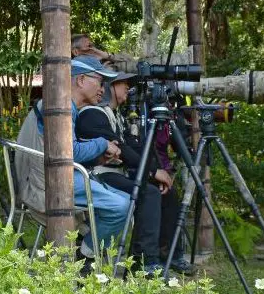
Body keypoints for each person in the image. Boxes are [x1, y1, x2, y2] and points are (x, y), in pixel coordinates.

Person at [15, 55, 130, 267]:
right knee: (120, 206)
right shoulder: (61, 107)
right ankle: (86, 257)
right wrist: (103, 144)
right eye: (100, 81)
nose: (103, 89)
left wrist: (98, 151)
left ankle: (83, 246)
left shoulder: (63, 104)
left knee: (124, 197)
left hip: (51, 176)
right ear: (80, 80)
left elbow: (65, 151)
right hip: (48, 184)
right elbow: (69, 153)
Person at [75, 72, 194, 275]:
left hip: (117, 172)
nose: (128, 91)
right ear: (113, 86)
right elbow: (121, 148)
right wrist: (152, 172)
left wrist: (155, 173)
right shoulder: (91, 114)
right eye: (124, 86)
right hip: (98, 174)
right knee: (149, 192)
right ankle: (146, 260)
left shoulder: (117, 116)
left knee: (165, 192)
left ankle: (169, 253)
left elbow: (133, 148)